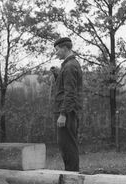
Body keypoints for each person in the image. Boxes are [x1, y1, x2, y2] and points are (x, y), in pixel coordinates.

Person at [53, 37, 82, 171]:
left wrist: (63, 114)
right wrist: (57, 75)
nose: (56, 53)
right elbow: (67, 87)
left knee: (68, 146)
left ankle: (72, 177)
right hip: (68, 111)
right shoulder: (69, 65)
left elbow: (70, 93)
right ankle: (71, 175)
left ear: (65, 48)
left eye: (57, 50)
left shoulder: (70, 66)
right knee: (67, 145)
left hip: (67, 112)